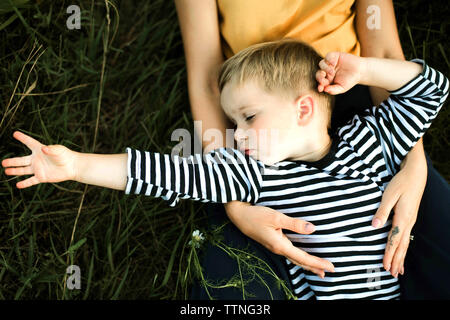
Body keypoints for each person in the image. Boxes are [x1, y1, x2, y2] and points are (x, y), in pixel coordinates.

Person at [2, 39, 448, 299]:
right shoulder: (251, 173)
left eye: (248, 118)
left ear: (305, 108)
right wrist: (78, 165)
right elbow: (163, 174)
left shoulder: (373, 142)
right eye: (233, 123)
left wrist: (366, 68)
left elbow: (432, 90)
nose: (236, 135)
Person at [175, 0, 450, 299]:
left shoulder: (372, 138)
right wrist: (235, 203)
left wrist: (413, 161)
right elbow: (207, 82)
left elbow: (382, 50)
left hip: (344, 97)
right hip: (256, 119)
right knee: (233, 292)